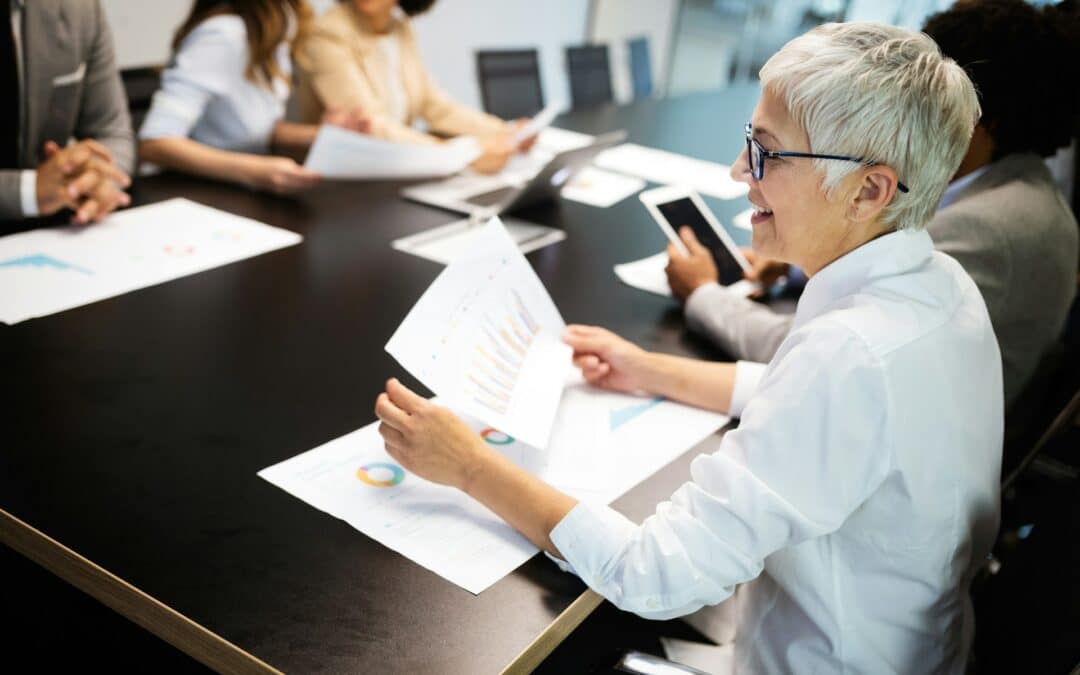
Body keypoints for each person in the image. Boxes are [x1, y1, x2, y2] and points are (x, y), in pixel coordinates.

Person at [375, 22, 1001, 673]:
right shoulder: (942, 287)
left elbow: (656, 574)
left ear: (868, 190)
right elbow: (813, 400)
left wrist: (470, 466)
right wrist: (648, 368)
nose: (739, 172)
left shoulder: (847, 357)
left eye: (768, 153)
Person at [666, 0, 1080, 410]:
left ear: (982, 118)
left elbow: (804, 356)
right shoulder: (1020, 188)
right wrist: (798, 262)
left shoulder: (990, 228)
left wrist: (703, 294)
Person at [138, 0, 369, 194]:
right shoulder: (224, 34)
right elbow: (155, 143)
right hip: (192, 193)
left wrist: (320, 135)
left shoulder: (275, 31)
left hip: (235, 192)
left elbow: (247, 127)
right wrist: (256, 171)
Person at [293, 0, 532, 174]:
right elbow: (370, 125)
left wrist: (504, 132)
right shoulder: (326, 33)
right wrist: (463, 154)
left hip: (397, 168)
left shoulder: (400, 28)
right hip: (347, 179)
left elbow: (434, 105)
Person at [0, 0, 134, 230]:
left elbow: (112, 132)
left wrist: (91, 179)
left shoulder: (80, 8)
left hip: (54, 229)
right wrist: (28, 191)